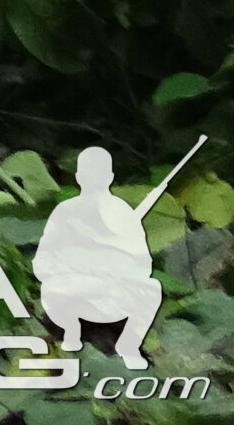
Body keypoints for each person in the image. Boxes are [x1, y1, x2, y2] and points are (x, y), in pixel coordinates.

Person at [33, 147, 166, 369]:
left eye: (99, 174)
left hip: (112, 292)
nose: (93, 180)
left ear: (110, 177)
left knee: (152, 288)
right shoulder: (66, 211)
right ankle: (71, 339)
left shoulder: (122, 212)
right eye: (88, 173)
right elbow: (42, 264)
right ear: (79, 177)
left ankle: (129, 346)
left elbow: (143, 265)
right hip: (72, 291)